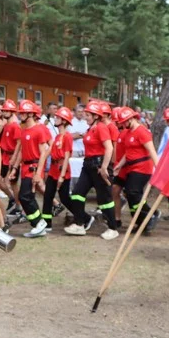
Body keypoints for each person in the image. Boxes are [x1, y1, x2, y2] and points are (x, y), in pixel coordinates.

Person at [64, 100, 119, 240]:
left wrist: (105, 167)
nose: (85, 116)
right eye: (85, 114)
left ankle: (112, 228)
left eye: (88, 115)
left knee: (104, 199)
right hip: (87, 165)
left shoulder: (101, 128)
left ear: (96, 116)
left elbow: (109, 148)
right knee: (77, 193)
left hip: (98, 166)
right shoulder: (90, 129)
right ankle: (80, 224)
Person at [112, 107, 159, 235]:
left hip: (143, 167)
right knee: (130, 195)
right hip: (131, 167)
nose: (122, 125)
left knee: (133, 192)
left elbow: (151, 150)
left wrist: (158, 168)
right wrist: (119, 166)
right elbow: (128, 153)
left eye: (124, 122)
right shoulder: (128, 133)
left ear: (131, 119)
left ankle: (151, 214)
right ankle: (141, 221)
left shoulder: (142, 132)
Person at [11, 99, 50, 238]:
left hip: (33, 167)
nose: (20, 115)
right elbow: (22, 151)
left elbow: (44, 153)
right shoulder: (24, 131)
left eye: (23, 113)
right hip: (25, 167)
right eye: (20, 113)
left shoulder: (39, 130)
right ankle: (37, 224)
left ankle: (39, 222)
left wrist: (39, 173)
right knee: (25, 196)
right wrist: (15, 168)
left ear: (30, 114)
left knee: (25, 196)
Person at [42, 106, 75, 231]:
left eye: (58, 117)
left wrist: (62, 176)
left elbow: (66, 157)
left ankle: (82, 217)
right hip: (53, 170)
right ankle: (46, 223)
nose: (55, 119)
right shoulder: (57, 137)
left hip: (62, 170)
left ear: (64, 121)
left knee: (65, 198)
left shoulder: (67, 137)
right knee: (48, 195)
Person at [0, 99, 21, 217]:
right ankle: (12, 198)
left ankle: (18, 206)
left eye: (6, 111)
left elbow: (19, 145)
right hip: (4, 156)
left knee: (13, 183)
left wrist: (15, 160)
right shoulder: (7, 125)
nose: (3, 113)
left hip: (11, 156)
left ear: (11, 112)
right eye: (3, 110)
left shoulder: (15, 126)